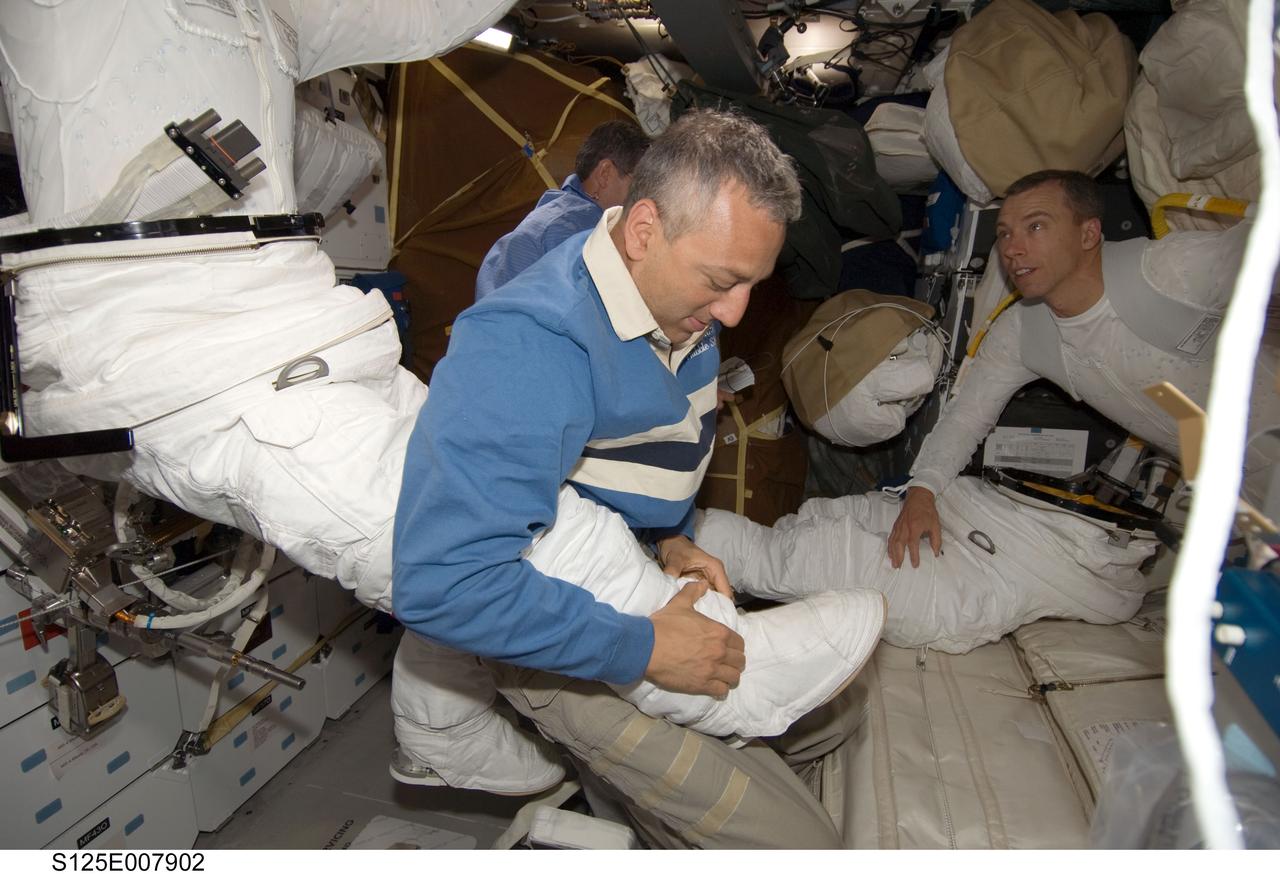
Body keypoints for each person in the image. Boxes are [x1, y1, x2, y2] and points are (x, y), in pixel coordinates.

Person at [887, 169, 1280, 569]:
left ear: (1089, 234)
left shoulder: (1168, 271)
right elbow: (966, 417)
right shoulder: (1023, 333)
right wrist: (922, 491)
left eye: (1035, 226)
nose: (1012, 249)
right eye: (1004, 233)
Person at [474, 119, 650, 301]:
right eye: (639, 185)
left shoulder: (556, 215)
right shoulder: (579, 228)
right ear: (605, 174)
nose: (643, 198)